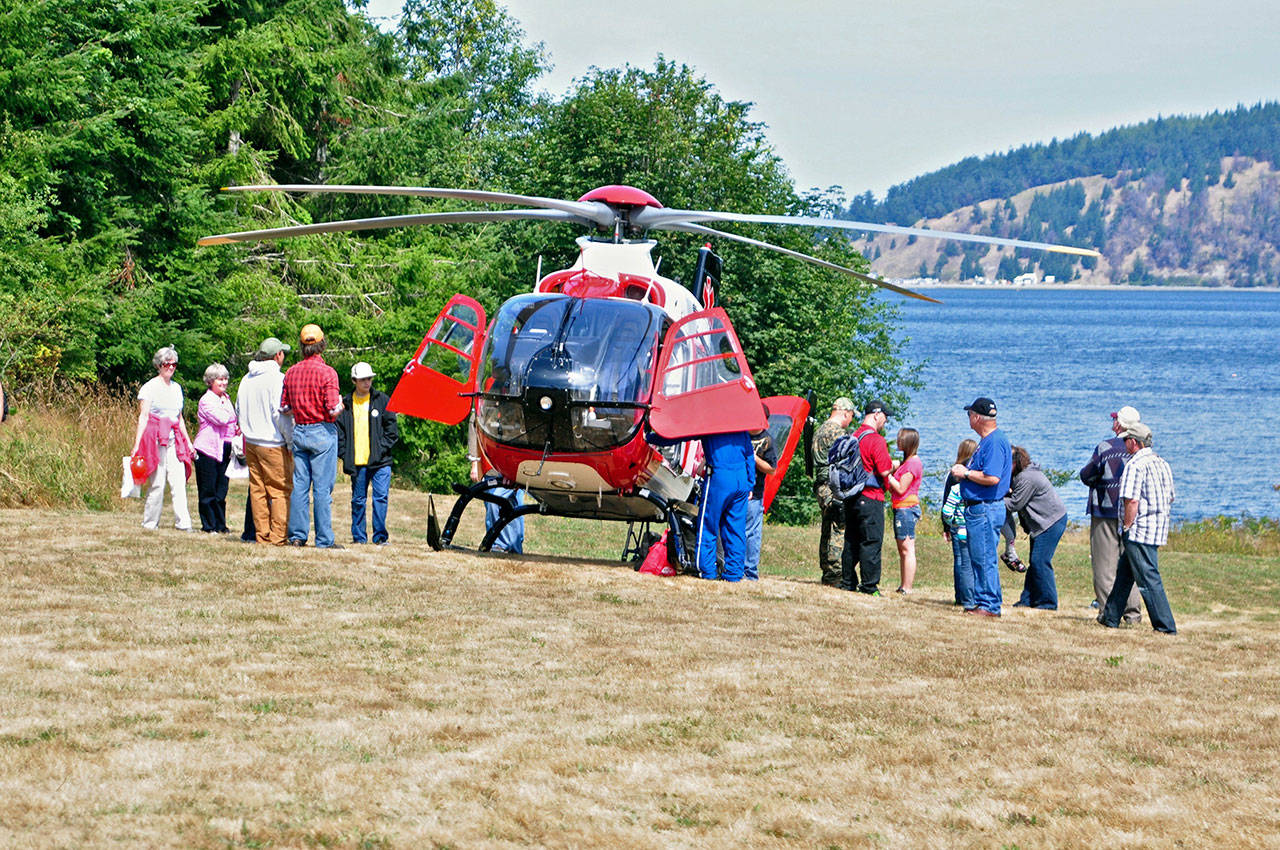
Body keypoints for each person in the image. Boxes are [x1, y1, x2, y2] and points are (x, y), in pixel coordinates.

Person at [1099, 422, 1177, 634]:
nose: (1124, 443)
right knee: (1125, 573)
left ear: (1134, 442)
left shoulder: (1135, 465)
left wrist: (1126, 526)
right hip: (1157, 527)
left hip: (1139, 530)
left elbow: (1131, 501)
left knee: (1148, 577)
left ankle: (1165, 626)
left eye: (1126, 440)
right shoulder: (1162, 463)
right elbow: (1171, 496)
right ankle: (1110, 617)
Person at [282, 323, 344, 548]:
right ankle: (325, 540)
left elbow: (285, 407)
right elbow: (331, 409)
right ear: (322, 345)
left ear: (302, 346)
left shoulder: (291, 372)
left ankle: (297, 536)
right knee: (322, 488)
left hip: (300, 430)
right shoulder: (328, 373)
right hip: (322, 431)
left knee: (299, 486)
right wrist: (342, 405)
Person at [1079, 405, 1144, 623]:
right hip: (1132, 513)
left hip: (1105, 510)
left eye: (1115, 420)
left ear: (1119, 425)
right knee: (1130, 563)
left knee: (1104, 565)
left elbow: (1087, 475)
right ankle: (1133, 613)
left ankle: (1108, 612)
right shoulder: (1141, 451)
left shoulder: (1105, 447)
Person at [949, 397, 1012, 618]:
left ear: (976, 417)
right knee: (981, 557)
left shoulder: (993, 442)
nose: (968, 418)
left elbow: (992, 477)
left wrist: (964, 473)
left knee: (984, 557)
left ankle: (988, 605)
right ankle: (984, 601)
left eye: (969, 414)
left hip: (984, 508)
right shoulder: (990, 440)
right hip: (982, 507)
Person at [131, 346, 195, 531]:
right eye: (167, 363)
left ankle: (184, 523)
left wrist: (188, 442)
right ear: (159, 365)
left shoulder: (177, 388)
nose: (171, 367)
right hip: (155, 440)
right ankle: (150, 523)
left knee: (178, 481)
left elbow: (179, 418)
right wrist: (137, 445)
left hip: (175, 440)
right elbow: (143, 416)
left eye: (174, 364)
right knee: (157, 483)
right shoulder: (149, 387)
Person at [237, 337, 294, 545]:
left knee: (258, 490)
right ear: (277, 355)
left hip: (251, 441)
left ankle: (262, 535)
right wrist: (290, 441)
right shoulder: (278, 379)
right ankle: (278, 537)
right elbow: (280, 414)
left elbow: (238, 409)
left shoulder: (246, 378)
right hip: (272, 442)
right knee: (279, 491)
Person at [336, 362, 399, 545]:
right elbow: (339, 431)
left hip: (381, 462)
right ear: (355, 380)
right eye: (363, 379)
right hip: (356, 461)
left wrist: (381, 449)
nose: (367, 382)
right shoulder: (346, 404)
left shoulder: (382, 400)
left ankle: (380, 537)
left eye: (369, 378)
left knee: (380, 498)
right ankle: (359, 538)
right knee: (358, 500)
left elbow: (392, 431)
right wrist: (343, 452)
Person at [1003, 446, 1067, 609]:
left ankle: (1048, 602)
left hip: (1051, 521)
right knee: (1035, 561)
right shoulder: (1021, 475)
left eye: (1006, 462)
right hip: (1043, 522)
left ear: (1016, 462)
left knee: (1040, 561)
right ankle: (1028, 600)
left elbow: (1015, 504)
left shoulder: (1026, 477)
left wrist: (992, 499)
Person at [842, 400, 894, 595]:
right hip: (871, 497)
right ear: (876, 415)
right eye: (885, 418)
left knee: (851, 540)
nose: (885, 423)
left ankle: (847, 581)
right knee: (871, 541)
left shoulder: (853, 436)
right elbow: (883, 470)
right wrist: (893, 466)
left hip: (851, 497)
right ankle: (869, 586)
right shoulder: (876, 440)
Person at [812, 397, 855, 586]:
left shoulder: (821, 429)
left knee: (827, 528)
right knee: (838, 528)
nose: (851, 420)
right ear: (845, 413)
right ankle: (835, 574)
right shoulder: (837, 433)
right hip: (832, 486)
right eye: (851, 416)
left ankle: (827, 571)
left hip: (821, 484)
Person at [193, 363, 239, 533]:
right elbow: (221, 419)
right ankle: (208, 525)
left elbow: (233, 421)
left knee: (221, 490)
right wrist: (231, 418)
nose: (224, 382)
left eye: (225, 378)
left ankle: (221, 524)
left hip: (225, 448)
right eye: (220, 379)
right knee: (207, 489)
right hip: (207, 449)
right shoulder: (206, 400)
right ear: (211, 381)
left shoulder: (226, 398)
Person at [469, 416, 525, 554]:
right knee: (497, 505)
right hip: (490, 468)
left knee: (499, 502)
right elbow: (474, 430)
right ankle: (511, 547)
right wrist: (475, 463)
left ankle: (499, 545)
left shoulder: (514, 410)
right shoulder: (483, 409)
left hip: (511, 466)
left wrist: (512, 470)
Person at [941, 438, 978, 607]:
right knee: (971, 561)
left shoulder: (953, 476)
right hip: (971, 523)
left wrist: (947, 526)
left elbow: (946, 503)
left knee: (959, 560)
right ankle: (971, 596)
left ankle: (960, 596)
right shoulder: (975, 476)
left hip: (956, 524)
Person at [885, 427, 922, 594]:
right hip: (901, 508)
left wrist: (887, 476)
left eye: (901, 439)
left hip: (907, 508)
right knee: (903, 549)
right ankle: (903, 585)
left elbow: (901, 488)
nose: (898, 441)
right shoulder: (907, 462)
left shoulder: (913, 463)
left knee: (907, 548)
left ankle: (907, 587)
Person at [744, 404, 778, 581]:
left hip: (754, 494)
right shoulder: (740, 434)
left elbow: (772, 469)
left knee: (751, 533)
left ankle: (750, 572)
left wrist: (753, 457)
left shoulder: (768, 440)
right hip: (736, 491)